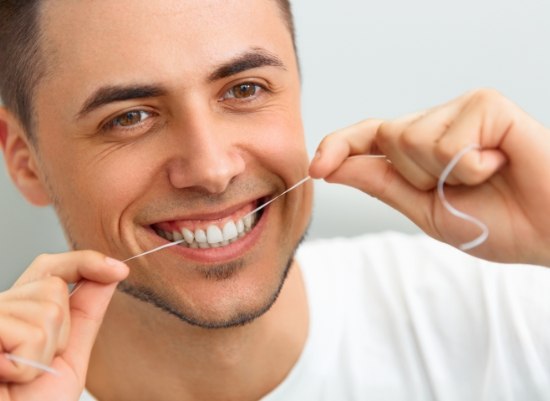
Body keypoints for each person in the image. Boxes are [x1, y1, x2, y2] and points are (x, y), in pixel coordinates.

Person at [0, 0, 549, 400]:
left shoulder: (502, 308)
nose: (213, 170)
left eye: (244, 89)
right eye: (129, 117)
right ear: (25, 161)